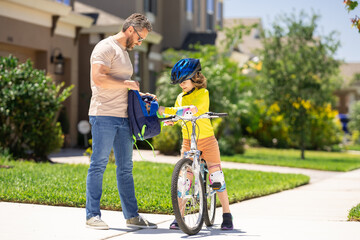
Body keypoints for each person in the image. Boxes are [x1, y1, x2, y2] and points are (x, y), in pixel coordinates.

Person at [86, 13, 157, 230]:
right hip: (104, 114)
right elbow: (98, 78)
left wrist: (140, 93)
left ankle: (132, 216)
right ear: (130, 30)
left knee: (125, 167)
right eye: (140, 38)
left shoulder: (125, 53)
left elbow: (122, 85)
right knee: (99, 164)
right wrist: (127, 82)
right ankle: (92, 216)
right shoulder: (104, 47)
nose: (140, 42)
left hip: (124, 117)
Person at [158, 58, 234, 230]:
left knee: (216, 177)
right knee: (184, 180)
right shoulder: (180, 97)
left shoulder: (203, 94)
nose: (181, 85)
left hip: (207, 140)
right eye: (179, 83)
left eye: (184, 81)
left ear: (195, 78)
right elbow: (180, 114)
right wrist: (172, 120)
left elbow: (192, 110)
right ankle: (180, 216)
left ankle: (227, 214)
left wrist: (164, 110)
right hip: (188, 141)